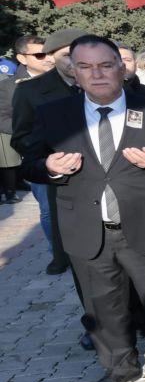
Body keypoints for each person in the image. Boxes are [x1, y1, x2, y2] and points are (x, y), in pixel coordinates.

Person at [20, 35, 145, 382]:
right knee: (102, 307)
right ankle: (120, 367)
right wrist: (49, 167)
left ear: (121, 68)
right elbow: (30, 163)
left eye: (106, 65)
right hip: (87, 231)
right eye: (86, 67)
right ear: (73, 72)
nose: (98, 74)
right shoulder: (54, 114)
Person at [11, 27, 89, 276]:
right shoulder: (30, 91)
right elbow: (21, 138)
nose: (76, 60)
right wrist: (49, 160)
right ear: (52, 56)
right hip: (62, 180)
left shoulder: (105, 82)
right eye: (68, 55)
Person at [0, 35, 55, 204]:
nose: (48, 59)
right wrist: (30, 137)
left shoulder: (68, 80)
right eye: (39, 55)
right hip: (37, 155)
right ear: (22, 58)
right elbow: (2, 118)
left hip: (71, 151)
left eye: (49, 53)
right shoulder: (9, 87)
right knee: (48, 208)